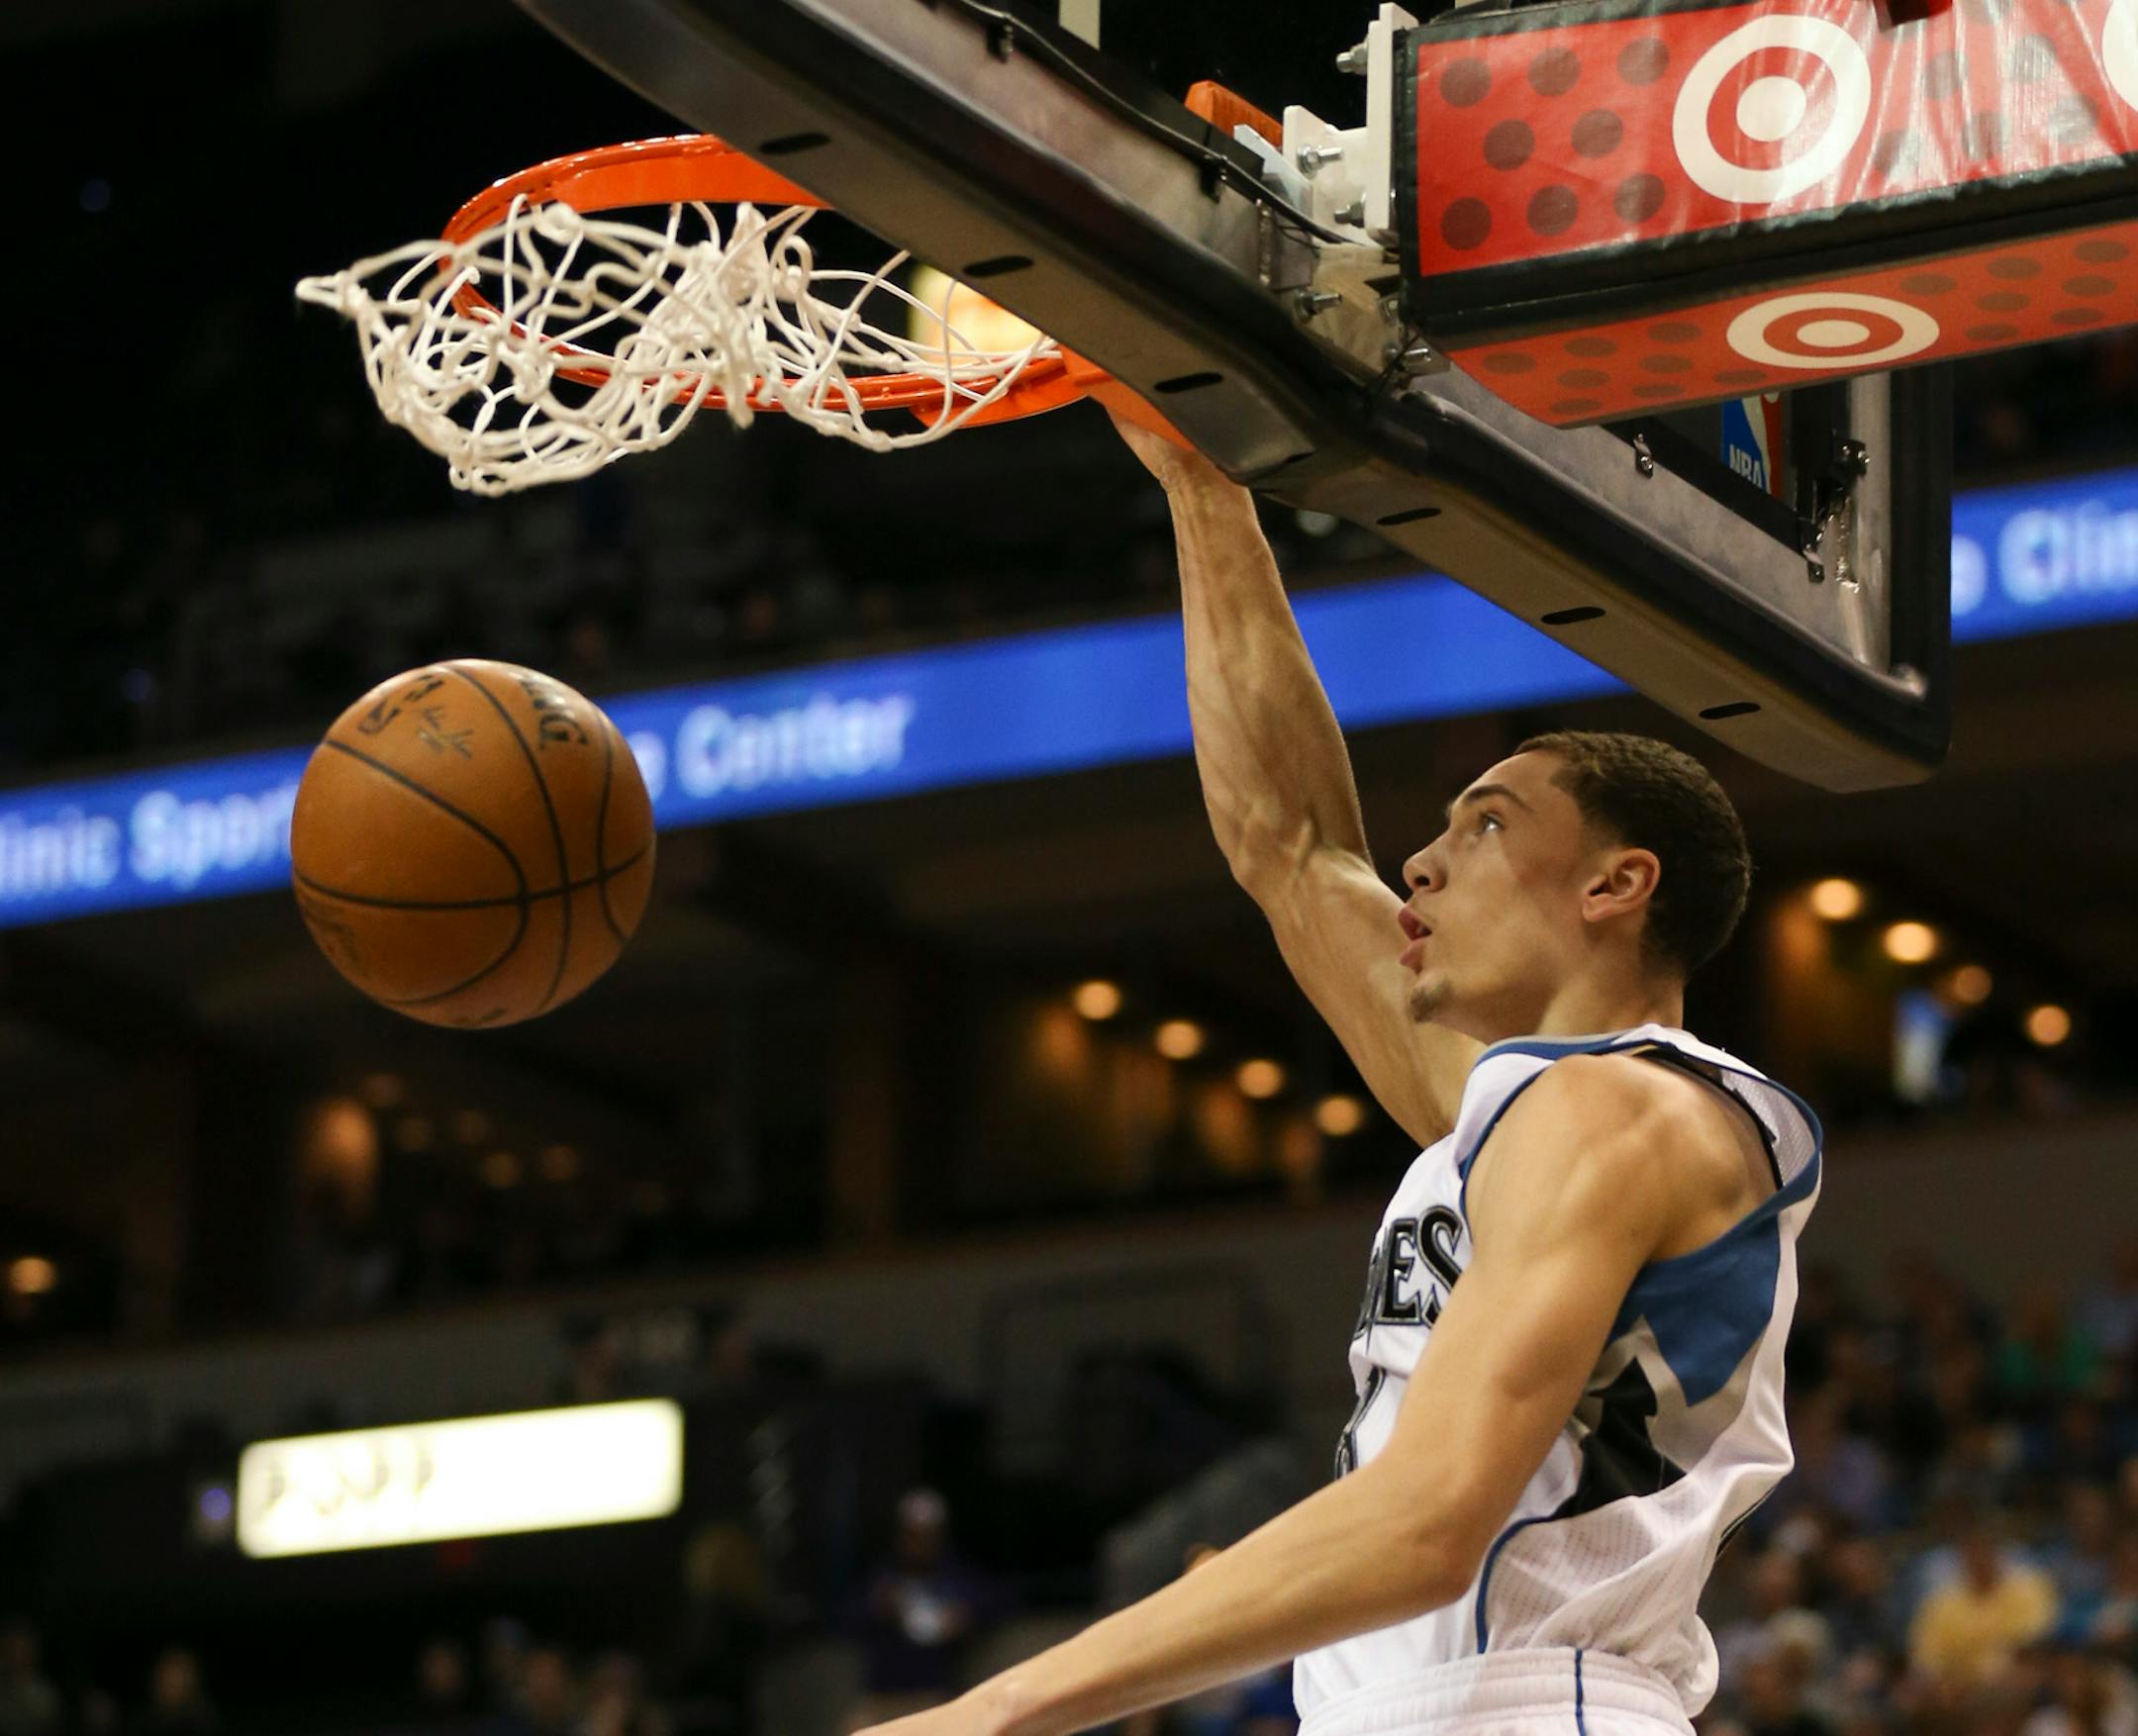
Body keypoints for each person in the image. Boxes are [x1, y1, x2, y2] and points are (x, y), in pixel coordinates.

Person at [851, 420, 1818, 1736]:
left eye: (1485, 824)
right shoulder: (1520, 1105)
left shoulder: (1619, 1109)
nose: (1422, 862)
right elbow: (1294, 845)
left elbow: (1429, 1520)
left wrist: (1002, 1706)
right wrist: (1201, 482)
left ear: (1614, 882)